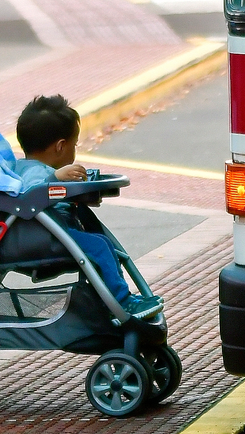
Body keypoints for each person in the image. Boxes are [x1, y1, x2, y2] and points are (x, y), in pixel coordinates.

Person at [13, 95, 151, 308]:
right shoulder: (33, 172)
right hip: (47, 238)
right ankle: (122, 302)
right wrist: (55, 180)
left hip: (52, 233)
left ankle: (107, 297)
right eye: (74, 144)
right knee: (99, 247)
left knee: (101, 243)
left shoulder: (24, 166)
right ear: (60, 146)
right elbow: (32, 195)